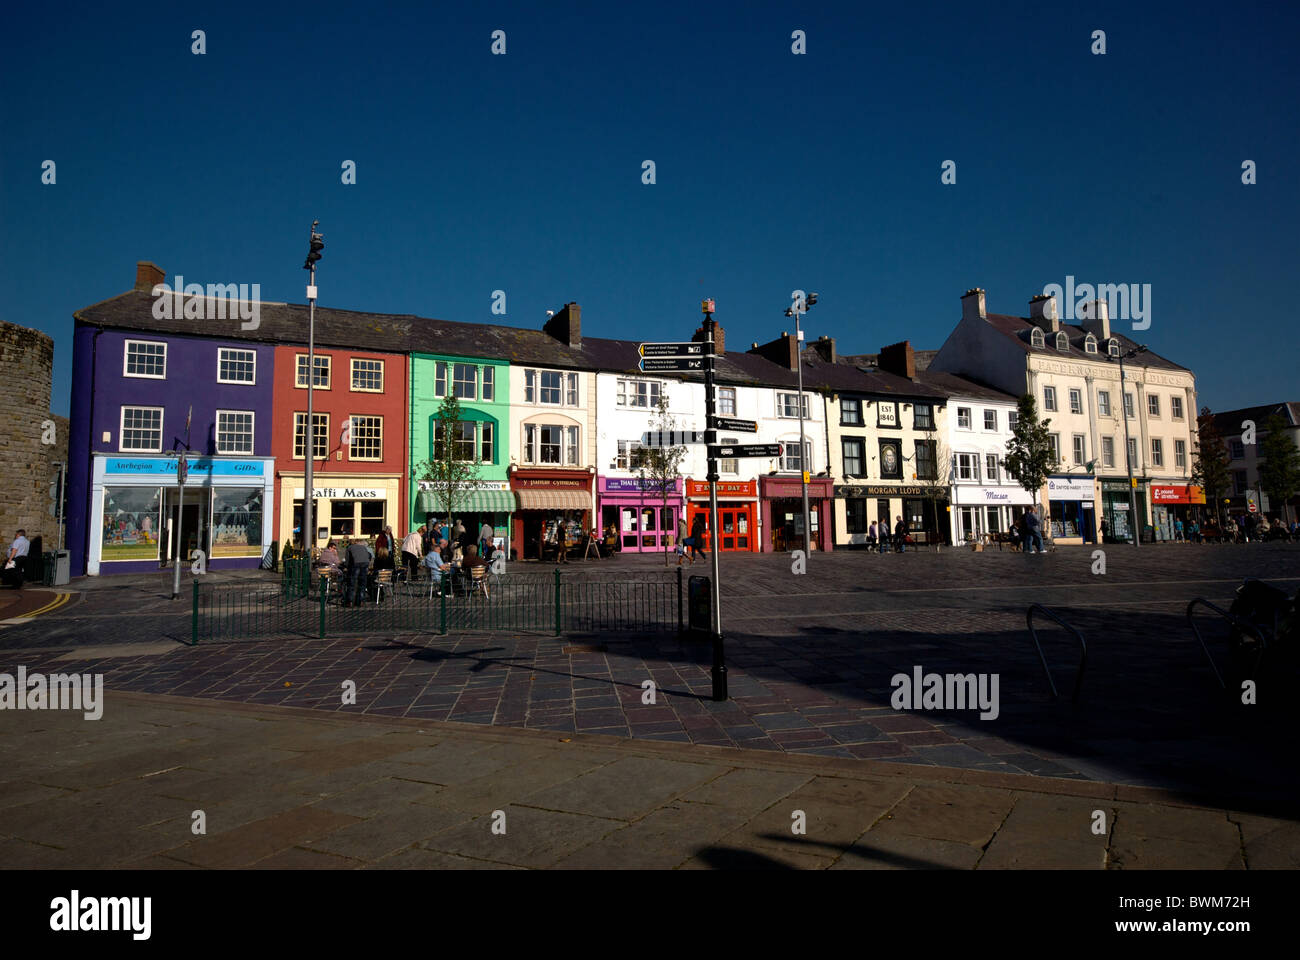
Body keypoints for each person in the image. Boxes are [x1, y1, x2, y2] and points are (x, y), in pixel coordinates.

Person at [342, 538, 371, 606]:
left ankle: (350, 601)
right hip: (365, 563)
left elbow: (347, 560)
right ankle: (361, 601)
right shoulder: (363, 547)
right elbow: (368, 555)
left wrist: (346, 567)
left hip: (356, 564)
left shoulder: (349, 548)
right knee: (362, 583)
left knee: (352, 583)